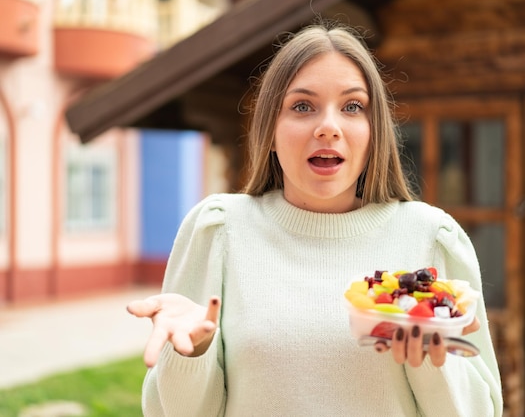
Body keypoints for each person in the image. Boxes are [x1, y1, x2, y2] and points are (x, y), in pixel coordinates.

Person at [127, 23, 504, 416]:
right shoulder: (219, 230)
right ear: (270, 128)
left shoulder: (429, 237)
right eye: (303, 106)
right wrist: (193, 354)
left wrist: (430, 359)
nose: (328, 127)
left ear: (375, 132)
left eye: (352, 106)